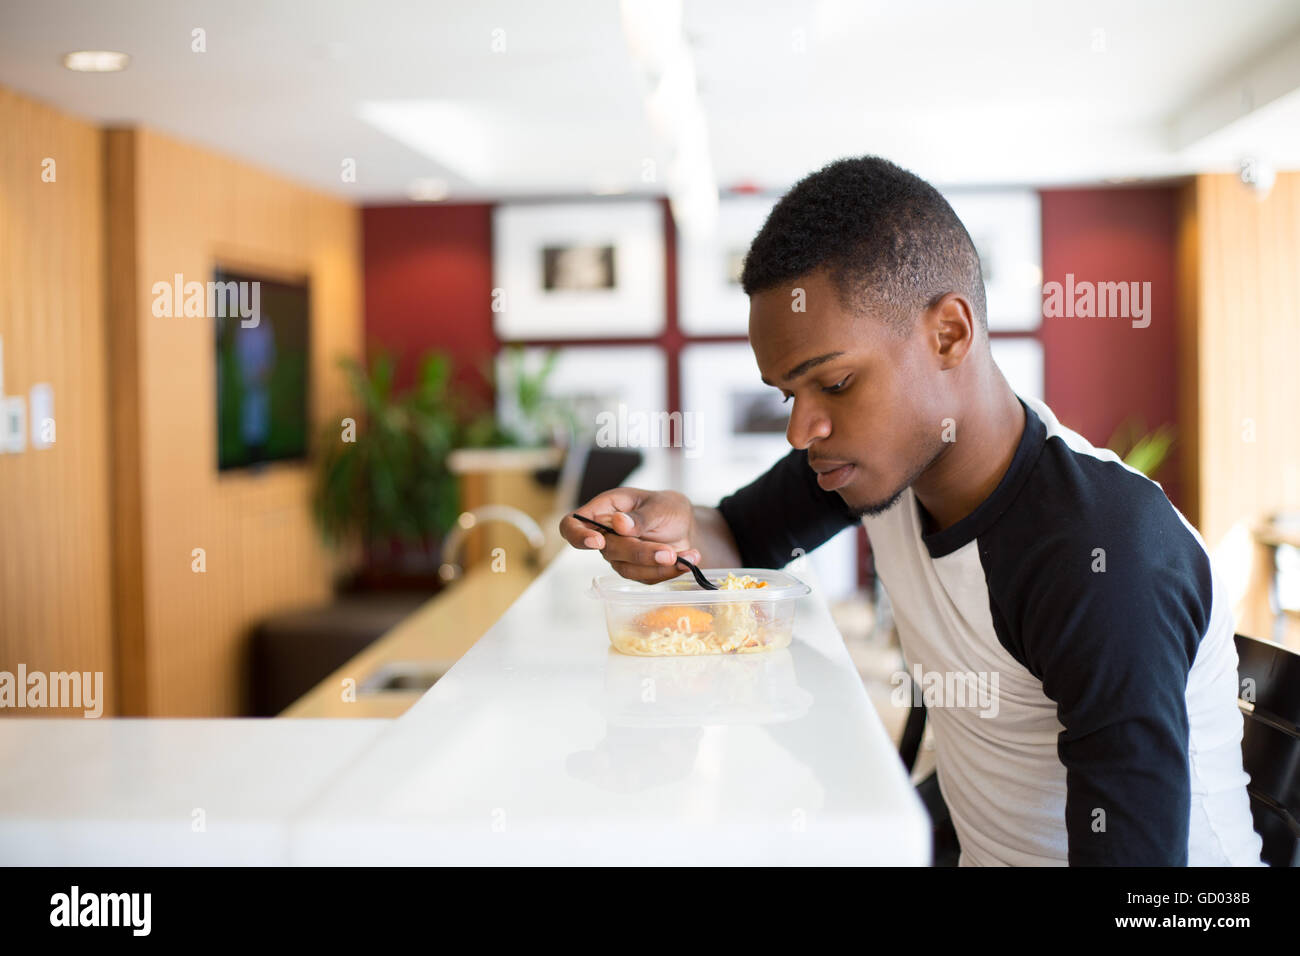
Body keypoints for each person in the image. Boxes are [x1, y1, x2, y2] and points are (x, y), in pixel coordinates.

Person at [559, 156, 1264, 867]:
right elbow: (741, 538)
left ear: (950, 334)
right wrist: (678, 530)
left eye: (834, 383)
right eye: (787, 395)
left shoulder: (1098, 553)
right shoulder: (882, 465)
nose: (802, 430)